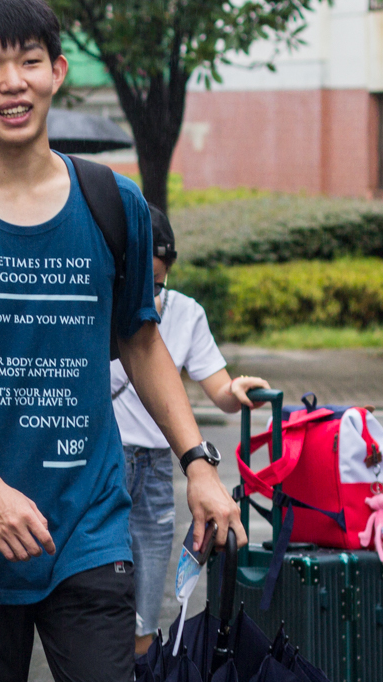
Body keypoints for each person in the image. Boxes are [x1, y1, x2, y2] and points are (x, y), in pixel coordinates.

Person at [0, 0, 243, 682]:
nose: (12, 82)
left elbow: (141, 337)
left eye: (29, 60)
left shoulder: (113, 204)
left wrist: (198, 463)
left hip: (90, 530)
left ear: (58, 72)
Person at [111, 205, 269, 655]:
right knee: (104, 579)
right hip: (109, 460)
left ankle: (138, 668)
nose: (151, 293)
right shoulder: (103, 304)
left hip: (160, 466)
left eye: (159, 283)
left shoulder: (185, 314)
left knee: (149, 589)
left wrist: (235, 388)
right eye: (142, 283)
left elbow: (217, 388)